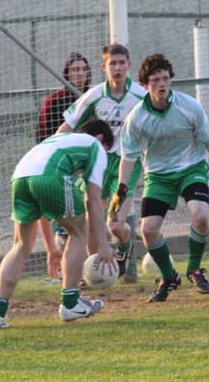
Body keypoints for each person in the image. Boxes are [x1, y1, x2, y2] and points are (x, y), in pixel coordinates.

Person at [109, 53, 209, 303]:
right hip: (158, 177)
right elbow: (128, 158)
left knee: (201, 215)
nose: (161, 84)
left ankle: (194, 268)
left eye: (165, 78)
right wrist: (122, 189)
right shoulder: (136, 118)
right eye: (155, 80)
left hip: (191, 169)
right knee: (148, 230)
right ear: (144, 85)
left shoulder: (189, 106)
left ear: (170, 80)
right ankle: (169, 277)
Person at [0, 120, 117, 329]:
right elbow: (93, 199)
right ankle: (70, 303)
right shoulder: (96, 147)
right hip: (50, 176)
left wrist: (51, 249)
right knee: (78, 232)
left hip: (20, 176)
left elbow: (43, 213)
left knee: (20, 245)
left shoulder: (60, 141)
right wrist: (102, 244)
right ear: (102, 139)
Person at [56, 44, 146, 281]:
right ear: (103, 67)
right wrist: (53, 151)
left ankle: (124, 247)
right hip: (98, 163)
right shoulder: (94, 95)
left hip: (127, 163)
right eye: (112, 64)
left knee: (115, 225)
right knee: (89, 220)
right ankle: (95, 272)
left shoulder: (140, 96)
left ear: (128, 65)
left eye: (121, 63)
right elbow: (68, 125)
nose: (117, 68)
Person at [35, 52, 92, 273]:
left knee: (89, 212)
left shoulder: (94, 98)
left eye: (83, 69)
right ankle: (59, 247)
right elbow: (43, 138)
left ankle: (87, 263)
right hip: (60, 166)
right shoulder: (54, 101)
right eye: (74, 70)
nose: (79, 74)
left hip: (87, 165)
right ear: (66, 74)